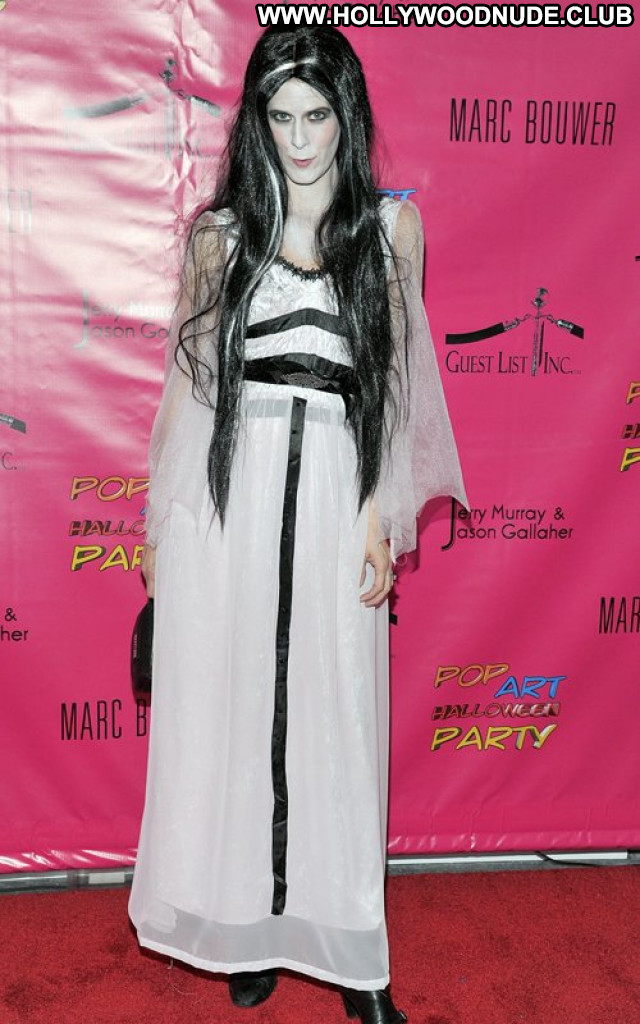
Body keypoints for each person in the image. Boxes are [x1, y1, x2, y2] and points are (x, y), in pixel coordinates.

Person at [128, 24, 467, 1024]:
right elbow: (188, 397)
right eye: (280, 118)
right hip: (226, 505)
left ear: (346, 115)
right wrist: (162, 532)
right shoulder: (221, 238)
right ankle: (246, 925)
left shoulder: (390, 232)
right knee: (232, 712)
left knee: (338, 720)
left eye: (318, 115)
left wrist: (378, 517)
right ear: (257, 123)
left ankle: (356, 956)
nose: (301, 138)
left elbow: (393, 394)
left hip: (333, 497)